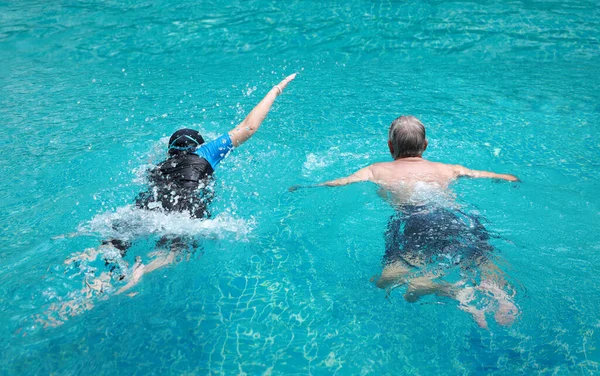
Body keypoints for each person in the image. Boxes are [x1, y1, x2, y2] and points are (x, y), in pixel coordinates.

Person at [64, 73, 297, 299]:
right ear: (198, 145)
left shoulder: (158, 167)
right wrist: (276, 89)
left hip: (143, 211)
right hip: (181, 214)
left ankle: (90, 258)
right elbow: (249, 127)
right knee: (177, 252)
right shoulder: (205, 152)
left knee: (114, 244)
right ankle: (142, 271)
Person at [291, 115, 519, 328]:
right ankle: (496, 289)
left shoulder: (376, 169)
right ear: (426, 145)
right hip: (457, 217)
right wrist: (510, 178)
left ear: (390, 147)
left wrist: (306, 187)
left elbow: (339, 182)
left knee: (386, 281)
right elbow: (489, 176)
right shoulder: (447, 168)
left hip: (415, 220)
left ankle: (444, 288)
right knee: (481, 255)